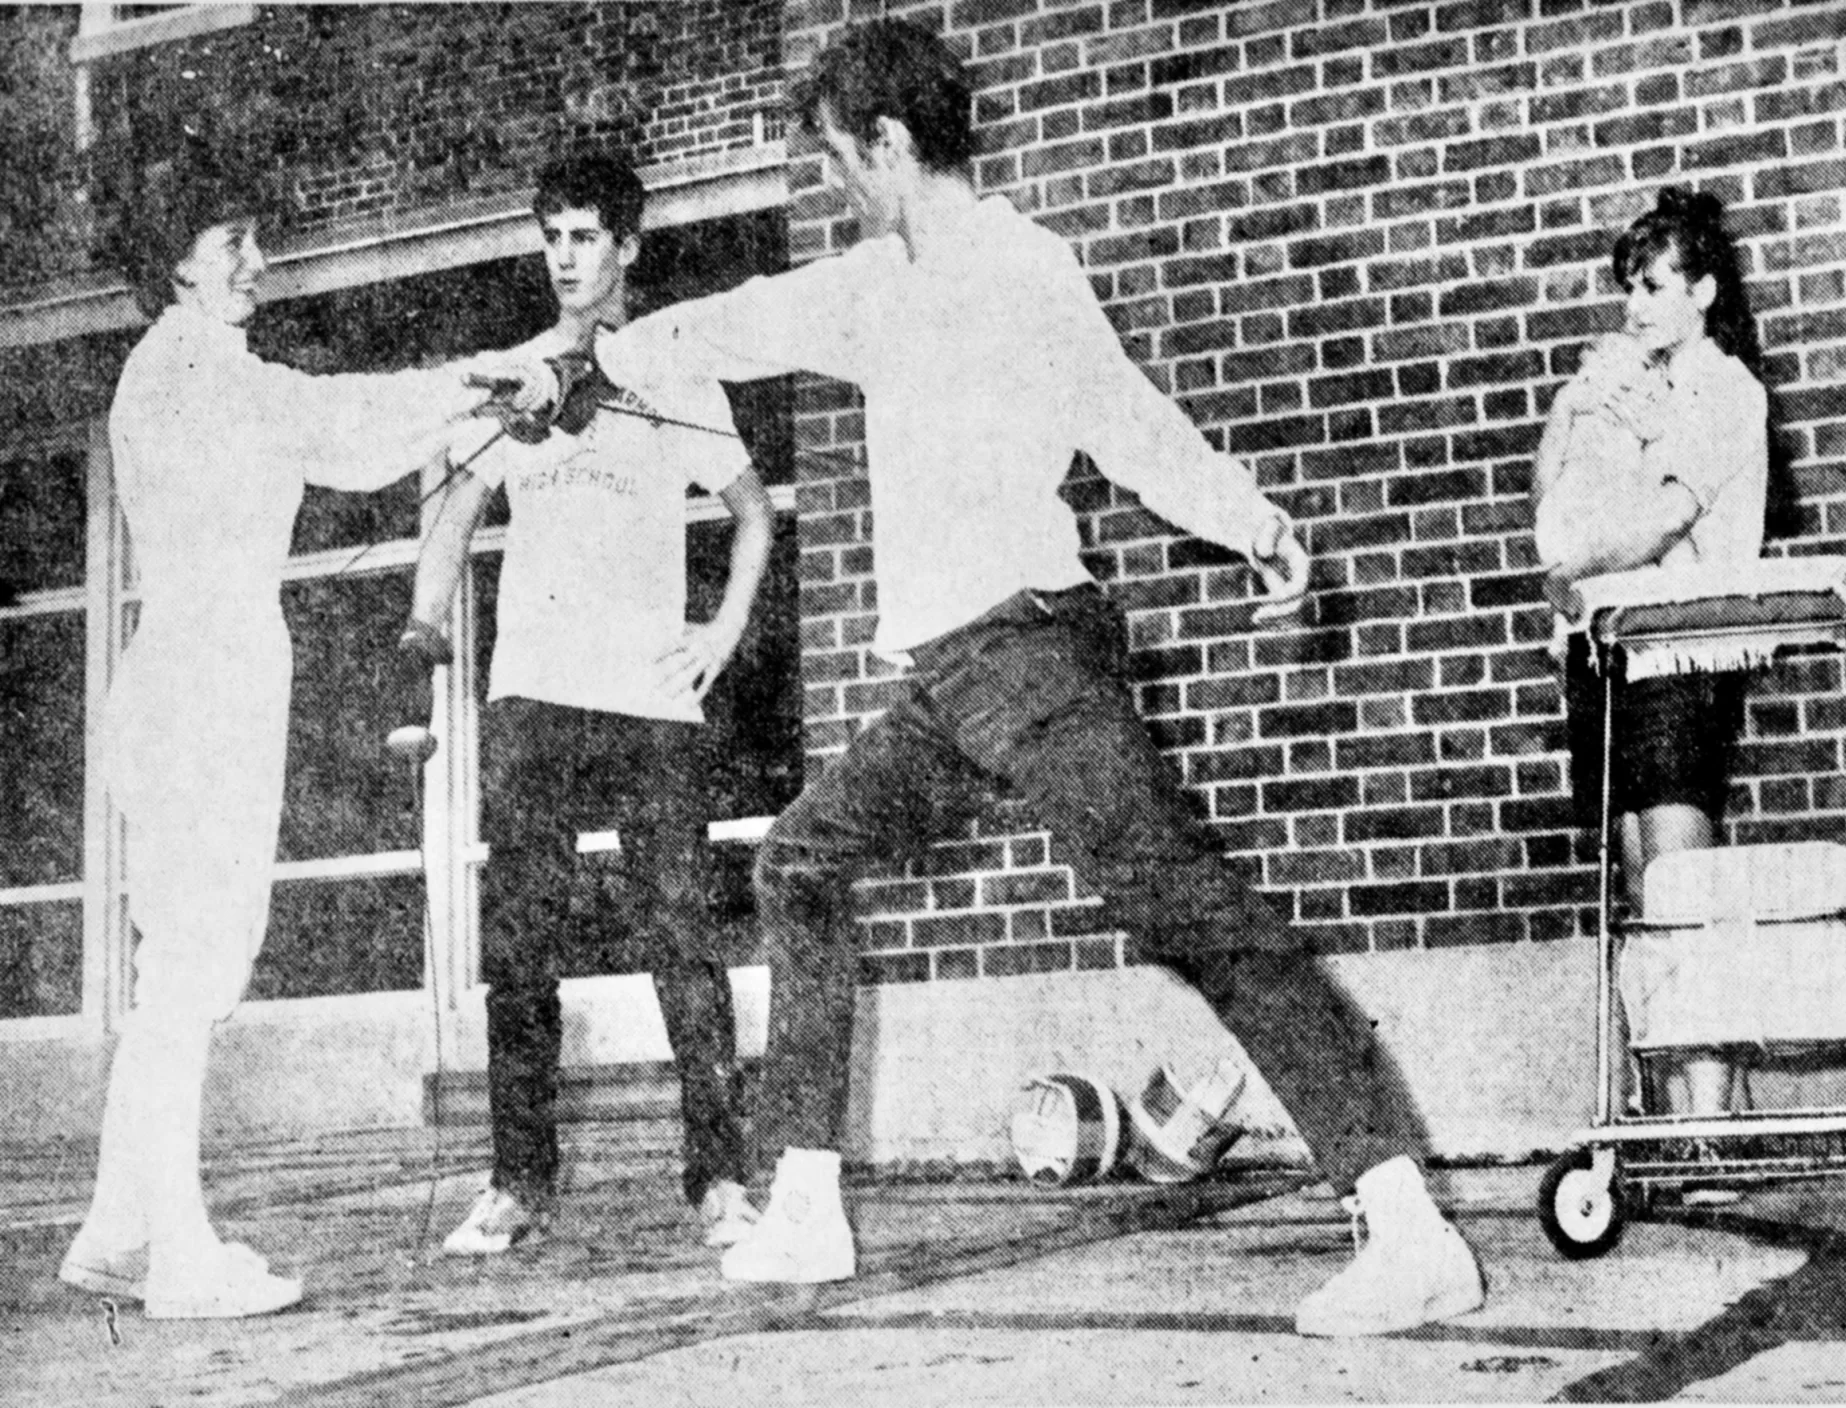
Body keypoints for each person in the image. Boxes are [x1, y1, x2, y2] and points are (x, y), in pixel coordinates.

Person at [595, 19, 1483, 1337]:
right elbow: (733, 325)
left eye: (840, 160)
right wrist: (598, 356)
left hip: (1030, 658)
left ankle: (1406, 1227)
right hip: (951, 685)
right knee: (798, 862)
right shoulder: (870, 283)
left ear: (889, 147)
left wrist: (1253, 523)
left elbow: (1127, 424)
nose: (837, 184)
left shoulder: (1018, 269)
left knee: (1188, 912)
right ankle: (804, 1202)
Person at [59, 138, 551, 1319]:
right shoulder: (196, 374)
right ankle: (179, 1254)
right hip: (202, 678)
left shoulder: (181, 365)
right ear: (171, 262)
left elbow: (331, 420)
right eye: (231, 243)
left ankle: (118, 1227)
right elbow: (338, 420)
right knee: (190, 971)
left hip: (195, 668)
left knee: (173, 965)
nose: (256, 261)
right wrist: (482, 378)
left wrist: (461, 391)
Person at [401, 153, 775, 1257]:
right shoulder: (516, 378)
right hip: (531, 696)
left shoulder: (670, 374)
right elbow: (451, 513)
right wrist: (424, 627)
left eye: (583, 236)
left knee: (680, 940)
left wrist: (721, 632)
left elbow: (753, 513)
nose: (564, 256)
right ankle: (517, 1179)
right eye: (550, 236)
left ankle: (718, 1178)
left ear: (628, 245)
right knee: (520, 948)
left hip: (649, 702)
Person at [1533, 188, 1769, 1119]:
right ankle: (1675, 1109)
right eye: (1627, 287)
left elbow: (1658, 521)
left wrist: (1567, 562)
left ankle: (1713, 1112)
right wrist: (1572, 401)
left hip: (1680, 649)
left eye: (1653, 286)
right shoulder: (1628, 384)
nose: (1633, 306)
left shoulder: (1725, 392)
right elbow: (1549, 496)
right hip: (1608, 646)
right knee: (1637, 878)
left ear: (1702, 291)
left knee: (1681, 878)